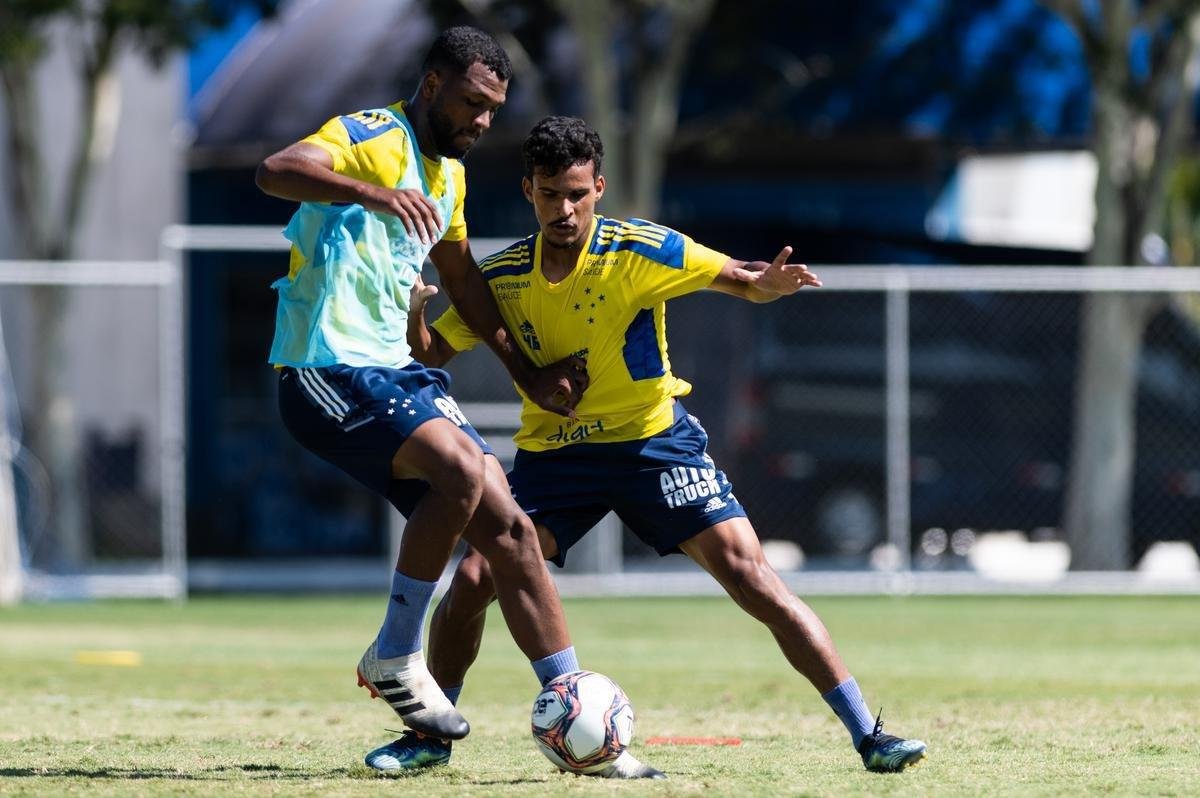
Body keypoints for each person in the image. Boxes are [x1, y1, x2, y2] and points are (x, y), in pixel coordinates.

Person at [369, 115, 929, 775]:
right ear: (528, 191)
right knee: (472, 578)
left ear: (599, 188)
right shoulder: (504, 275)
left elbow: (738, 277)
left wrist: (766, 285)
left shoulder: (642, 247)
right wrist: (414, 313)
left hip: (654, 444)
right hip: (558, 455)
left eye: (577, 194)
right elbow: (433, 351)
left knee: (753, 578)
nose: (564, 209)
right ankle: (428, 736)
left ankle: (870, 734)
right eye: (550, 194)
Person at [255, 29, 624, 769]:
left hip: (394, 372)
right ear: (432, 85)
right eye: (472, 102)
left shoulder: (449, 176)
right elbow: (275, 171)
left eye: (493, 110)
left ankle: (580, 717)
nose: (482, 121)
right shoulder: (373, 135)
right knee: (459, 468)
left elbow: (464, 285)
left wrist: (528, 375)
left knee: (510, 531)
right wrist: (374, 192)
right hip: (326, 365)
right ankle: (396, 650)